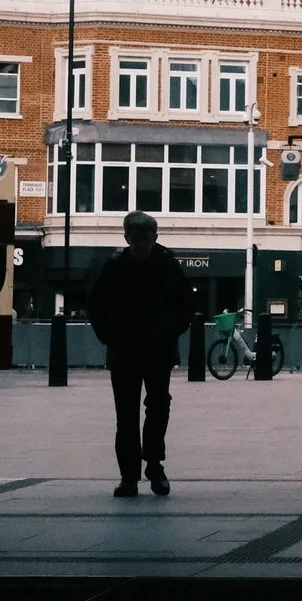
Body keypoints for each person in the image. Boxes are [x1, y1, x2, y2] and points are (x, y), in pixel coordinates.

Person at [87, 210, 193, 498]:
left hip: (149, 351)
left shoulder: (162, 266)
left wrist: (168, 333)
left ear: (154, 237)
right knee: (133, 413)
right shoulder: (123, 267)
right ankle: (137, 473)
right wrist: (111, 336)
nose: (141, 244)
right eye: (137, 238)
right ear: (128, 237)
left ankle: (147, 469)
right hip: (131, 351)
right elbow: (96, 307)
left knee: (151, 409)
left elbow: (185, 307)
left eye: (144, 238)